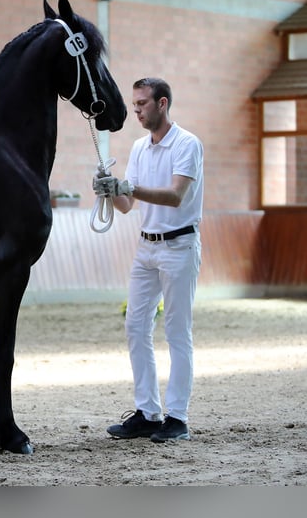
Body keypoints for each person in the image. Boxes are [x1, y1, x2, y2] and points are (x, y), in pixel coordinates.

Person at [93, 77, 204, 443]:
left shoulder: (187, 144)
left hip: (179, 248)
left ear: (162, 104)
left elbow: (174, 196)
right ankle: (148, 412)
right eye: (136, 104)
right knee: (136, 327)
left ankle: (178, 417)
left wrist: (129, 188)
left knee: (176, 332)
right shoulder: (140, 147)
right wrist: (110, 189)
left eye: (142, 104)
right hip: (147, 248)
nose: (137, 110)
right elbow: (127, 207)